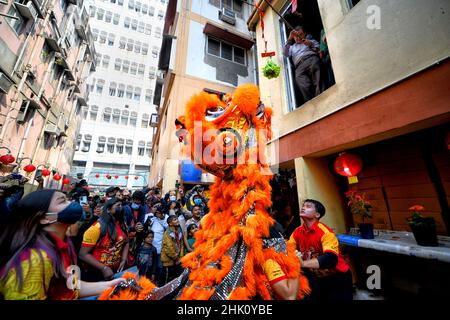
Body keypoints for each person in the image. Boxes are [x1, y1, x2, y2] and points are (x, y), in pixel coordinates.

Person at [0, 189, 123, 299]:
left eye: (68, 200)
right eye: (62, 201)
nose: (71, 204)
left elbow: (72, 287)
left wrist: (109, 285)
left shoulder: (66, 245)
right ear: (44, 218)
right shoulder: (34, 260)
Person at [289, 199, 353, 301]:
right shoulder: (297, 232)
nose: (303, 207)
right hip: (316, 278)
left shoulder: (325, 232)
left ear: (317, 215)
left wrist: (303, 264)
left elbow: (331, 259)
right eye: (303, 206)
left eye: (308, 206)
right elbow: (288, 249)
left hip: (337, 278)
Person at [79, 198, 129, 282]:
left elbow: (126, 242)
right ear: (109, 210)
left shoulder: (123, 225)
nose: (121, 208)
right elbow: (82, 254)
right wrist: (104, 268)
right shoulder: (97, 227)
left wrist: (123, 259)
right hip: (96, 273)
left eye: (121, 205)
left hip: (115, 271)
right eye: (118, 206)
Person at [284, 26, 321, 102]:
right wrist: (289, 38)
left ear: (304, 34)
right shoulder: (292, 47)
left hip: (311, 59)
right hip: (299, 66)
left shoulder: (309, 40)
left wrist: (310, 44)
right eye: (295, 36)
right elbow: (285, 53)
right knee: (303, 84)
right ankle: (311, 102)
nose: (297, 38)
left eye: (300, 35)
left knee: (318, 79)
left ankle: (321, 97)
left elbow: (318, 48)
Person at [161, 215, 183, 285]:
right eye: (174, 220)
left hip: (177, 260)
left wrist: (181, 257)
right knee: (167, 281)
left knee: (175, 280)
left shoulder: (179, 230)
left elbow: (181, 244)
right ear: (170, 223)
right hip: (169, 261)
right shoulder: (168, 233)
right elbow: (169, 248)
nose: (177, 220)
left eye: (177, 219)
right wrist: (176, 258)